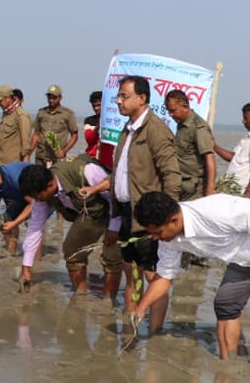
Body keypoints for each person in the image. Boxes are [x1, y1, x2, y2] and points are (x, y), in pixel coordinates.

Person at [132, 192, 250, 364]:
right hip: (243, 256)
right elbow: (165, 277)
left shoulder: (217, 211)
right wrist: (141, 308)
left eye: (157, 233)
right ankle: (228, 365)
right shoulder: (169, 239)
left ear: (174, 220)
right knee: (225, 305)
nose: (155, 238)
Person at [109, 75, 182, 323]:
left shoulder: (156, 129)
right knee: (129, 270)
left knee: (153, 275)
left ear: (141, 99)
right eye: (118, 96)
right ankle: (130, 324)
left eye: (124, 96)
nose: (118, 101)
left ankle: (154, 334)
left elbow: (171, 174)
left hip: (150, 219)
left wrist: (166, 219)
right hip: (127, 213)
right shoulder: (128, 128)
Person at [18, 158, 122, 298]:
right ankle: (80, 296)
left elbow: (115, 195)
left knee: (111, 257)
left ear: (50, 185)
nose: (37, 200)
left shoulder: (86, 171)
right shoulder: (42, 194)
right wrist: (26, 267)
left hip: (117, 210)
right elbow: (35, 227)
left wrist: (113, 228)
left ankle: (109, 303)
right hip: (90, 213)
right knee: (72, 251)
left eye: (38, 196)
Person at [213, 102, 250, 199]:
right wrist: (213, 146)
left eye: (246, 118)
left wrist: (248, 193)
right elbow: (233, 157)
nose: (243, 121)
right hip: (236, 192)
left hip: (245, 194)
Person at [165, 89, 217, 200]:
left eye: (173, 111)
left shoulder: (198, 127)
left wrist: (210, 189)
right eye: (169, 111)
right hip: (181, 185)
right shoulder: (181, 125)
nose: (171, 115)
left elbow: (210, 157)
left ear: (184, 106)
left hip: (194, 189)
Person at [29, 84, 78, 166]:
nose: (51, 100)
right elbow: (36, 134)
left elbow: (74, 135)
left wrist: (64, 151)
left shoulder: (68, 114)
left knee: (56, 178)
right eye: (49, 97)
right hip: (41, 157)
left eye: (54, 97)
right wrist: (29, 152)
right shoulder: (41, 113)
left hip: (57, 158)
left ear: (60, 98)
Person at [0, 84, 32, 164]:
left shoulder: (21, 115)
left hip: (13, 164)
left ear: (8, 99)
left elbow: (26, 144)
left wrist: (24, 164)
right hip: (0, 162)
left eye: (0, 101)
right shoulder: (7, 113)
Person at [83, 91, 103, 160]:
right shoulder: (89, 120)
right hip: (91, 158)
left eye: (98, 105)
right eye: (94, 106)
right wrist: (98, 126)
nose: (96, 108)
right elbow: (89, 139)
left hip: (108, 159)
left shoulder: (112, 120)